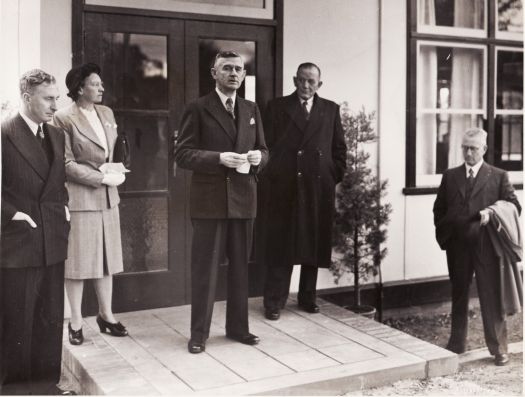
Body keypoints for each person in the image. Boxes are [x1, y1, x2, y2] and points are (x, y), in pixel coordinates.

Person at [174, 51, 268, 354]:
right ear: (214, 73)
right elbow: (183, 154)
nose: (234, 73)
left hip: (243, 200)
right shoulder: (198, 108)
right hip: (209, 203)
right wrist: (218, 159)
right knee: (205, 270)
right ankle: (198, 334)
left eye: (239, 69)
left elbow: (265, 151)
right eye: (227, 68)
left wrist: (258, 159)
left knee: (240, 268)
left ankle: (238, 329)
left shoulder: (251, 108)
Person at [0, 69, 74, 395]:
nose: (55, 105)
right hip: (19, 241)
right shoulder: (4, 133)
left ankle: (47, 387)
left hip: (53, 237)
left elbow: (57, 183)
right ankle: (14, 390)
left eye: (57, 98)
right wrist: (12, 214)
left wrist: (65, 208)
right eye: (48, 98)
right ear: (27, 98)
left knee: (49, 319)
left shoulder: (56, 134)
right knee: (17, 323)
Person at [260, 62, 346, 320]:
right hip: (284, 187)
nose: (306, 86)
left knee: (314, 242)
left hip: (317, 187)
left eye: (312, 82)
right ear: (294, 80)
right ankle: (274, 301)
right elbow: (265, 146)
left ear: (320, 84)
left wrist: (331, 176)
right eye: (302, 80)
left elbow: (339, 150)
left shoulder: (330, 109)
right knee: (282, 245)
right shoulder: (276, 107)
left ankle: (308, 297)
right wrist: (273, 177)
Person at [53, 63, 128, 346]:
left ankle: (106, 315)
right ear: (80, 88)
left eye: (101, 84)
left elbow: (112, 148)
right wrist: (100, 178)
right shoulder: (63, 118)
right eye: (95, 84)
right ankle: (75, 320)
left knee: (107, 261)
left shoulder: (106, 113)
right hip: (82, 197)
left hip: (109, 198)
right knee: (78, 263)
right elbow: (65, 162)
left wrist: (117, 169)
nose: (101, 88)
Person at [433, 128, 521, 366]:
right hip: (458, 247)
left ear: (483, 149)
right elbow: (438, 209)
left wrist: (492, 213)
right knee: (459, 293)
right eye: (465, 148)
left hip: (487, 246)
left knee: (491, 297)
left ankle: (499, 349)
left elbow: (514, 206)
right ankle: (456, 345)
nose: (468, 153)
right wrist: (447, 237)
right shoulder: (450, 176)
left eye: (473, 148)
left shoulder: (498, 176)